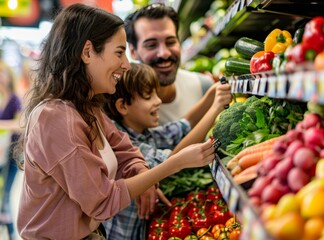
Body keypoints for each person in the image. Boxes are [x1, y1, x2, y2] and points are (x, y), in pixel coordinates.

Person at [15, 4, 216, 239]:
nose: (127, 65)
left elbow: (125, 150)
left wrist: (142, 173)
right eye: (120, 53)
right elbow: (102, 201)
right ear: (88, 52)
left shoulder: (87, 108)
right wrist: (174, 164)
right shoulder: (55, 119)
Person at [101, 62, 231, 239]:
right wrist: (216, 108)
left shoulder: (144, 133)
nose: (158, 101)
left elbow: (181, 127)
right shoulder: (126, 143)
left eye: (156, 93)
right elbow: (174, 159)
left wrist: (209, 96)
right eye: (149, 96)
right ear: (122, 106)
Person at [124, 3, 215, 125]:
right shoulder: (125, 108)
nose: (164, 53)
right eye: (151, 45)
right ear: (133, 51)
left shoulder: (204, 87)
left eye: (170, 42)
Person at [0, 60, 22, 240]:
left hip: (12, 156)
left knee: (6, 195)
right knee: (2, 196)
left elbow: (20, 125)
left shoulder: (15, 99)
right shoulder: (1, 98)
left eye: (2, 73)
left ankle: (13, 234)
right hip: (1, 154)